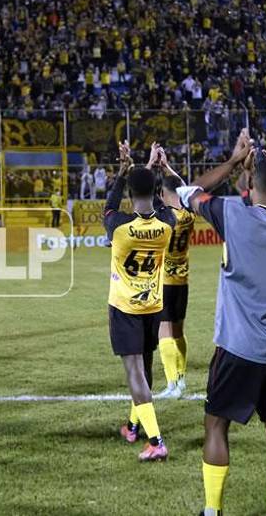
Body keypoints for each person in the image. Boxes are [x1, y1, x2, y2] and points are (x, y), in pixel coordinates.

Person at [176, 130, 266, 516]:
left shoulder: (232, 214)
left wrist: (237, 162)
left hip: (238, 346)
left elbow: (189, 192)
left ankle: (213, 510)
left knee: (215, 425)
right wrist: (262, 163)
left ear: (249, 186)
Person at [106, 141, 176, 462]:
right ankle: (133, 426)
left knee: (135, 373)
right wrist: (154, 168)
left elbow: (109, 206)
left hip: (126, 308)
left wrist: (124, 173)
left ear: (130, 194)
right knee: (144, 369)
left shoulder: (118, 228)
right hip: (153, 306)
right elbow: (160, 204)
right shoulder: (166, 225)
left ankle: (156, 440)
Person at [153, 150, 195, 399]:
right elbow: (183, 187)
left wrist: (154, 166)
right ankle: (181, 379)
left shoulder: (165, 217)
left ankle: (172, 385)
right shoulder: (188, 214)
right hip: (183, 280)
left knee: (163, 331)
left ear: (162, 194)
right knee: (178, 331)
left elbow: (144, 194)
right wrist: (168, 167)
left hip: (165, 281)